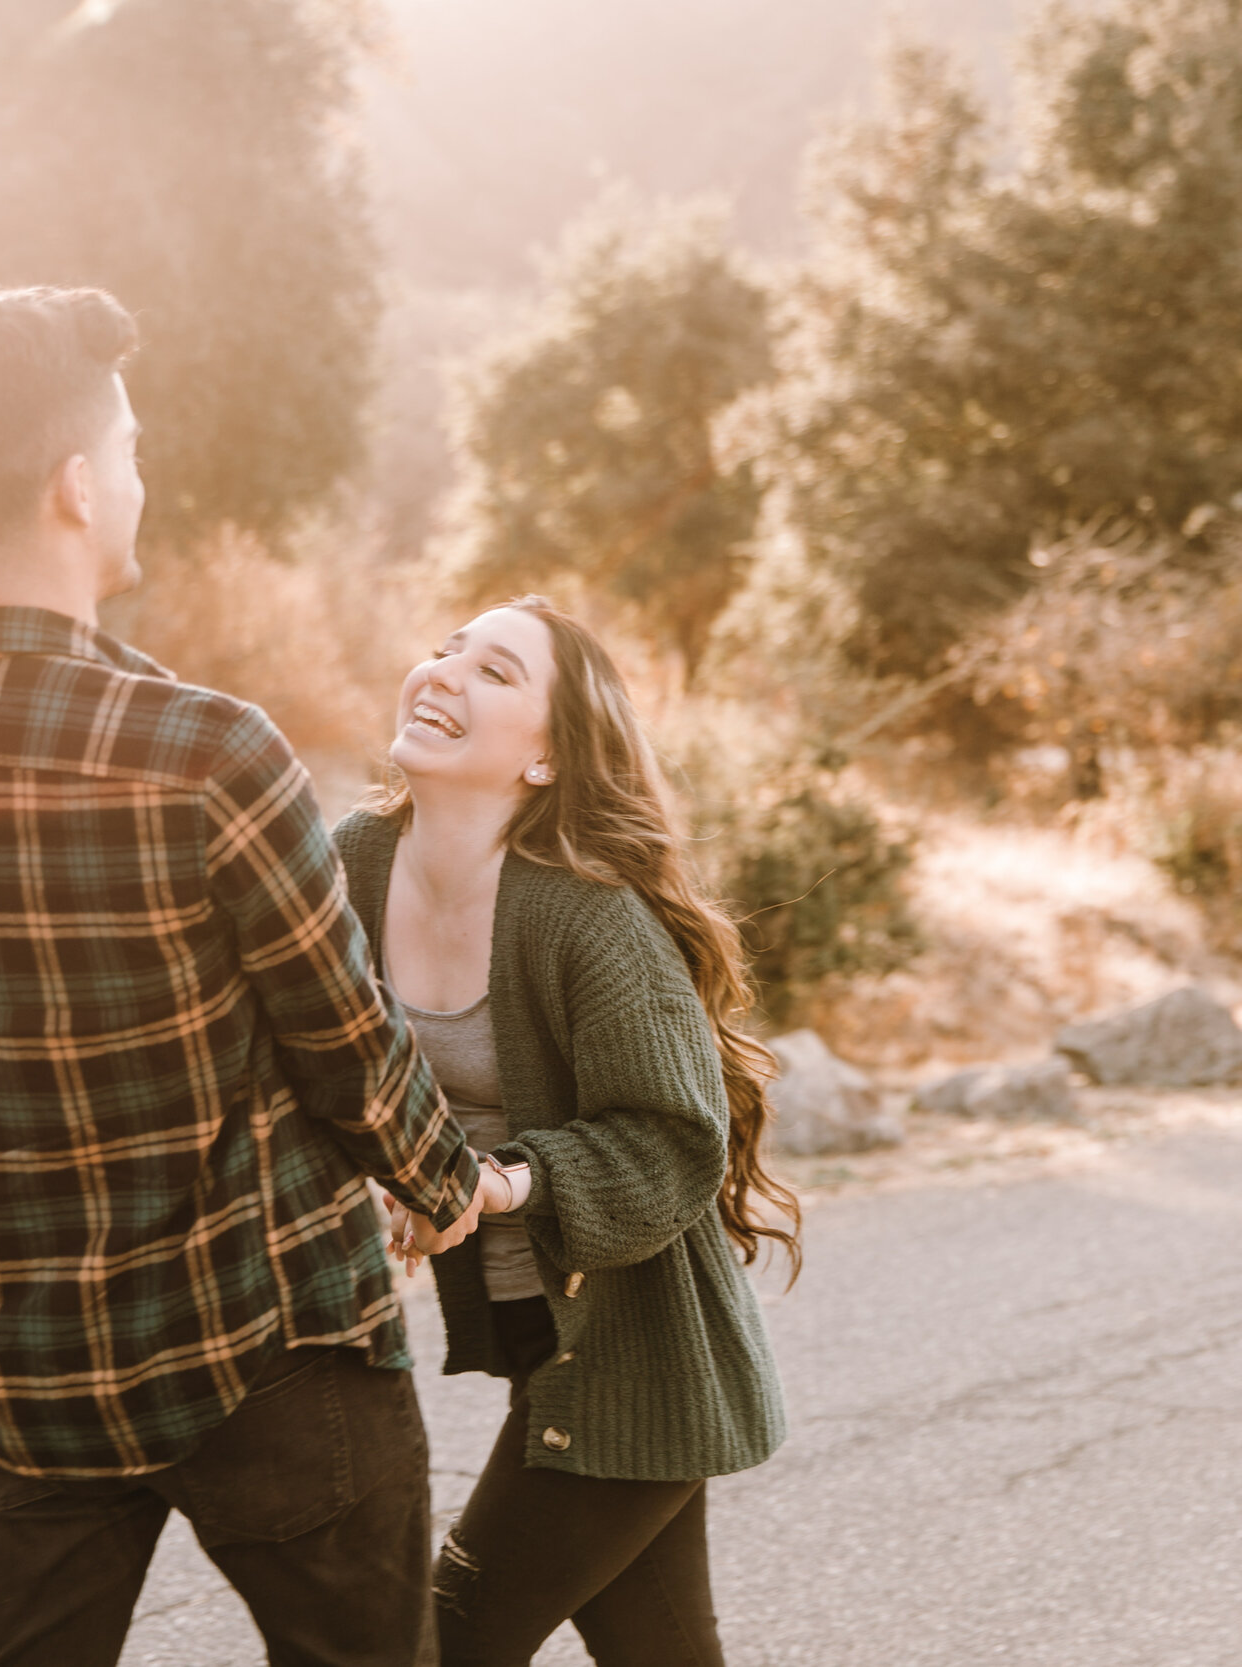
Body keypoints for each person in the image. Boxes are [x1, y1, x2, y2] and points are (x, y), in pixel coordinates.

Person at [0, 286, 485, 1667]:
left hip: (26, 1381)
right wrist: (450, 1182)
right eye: (126, 448)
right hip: (271, 1347)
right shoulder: (204, 750)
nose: (139, 477)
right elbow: (347, 1047)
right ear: (71, 485)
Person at [336, 596, 799, 1667]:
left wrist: (491, 1184)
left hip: (638, 1356)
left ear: (546, 759)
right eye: (445, 649)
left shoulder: (587, 915)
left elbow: (674, 1139)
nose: (443, 671)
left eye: (494, 671)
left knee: (444, 1642)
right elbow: (310, 1056)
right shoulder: (353, 858)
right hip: (542, 1339)